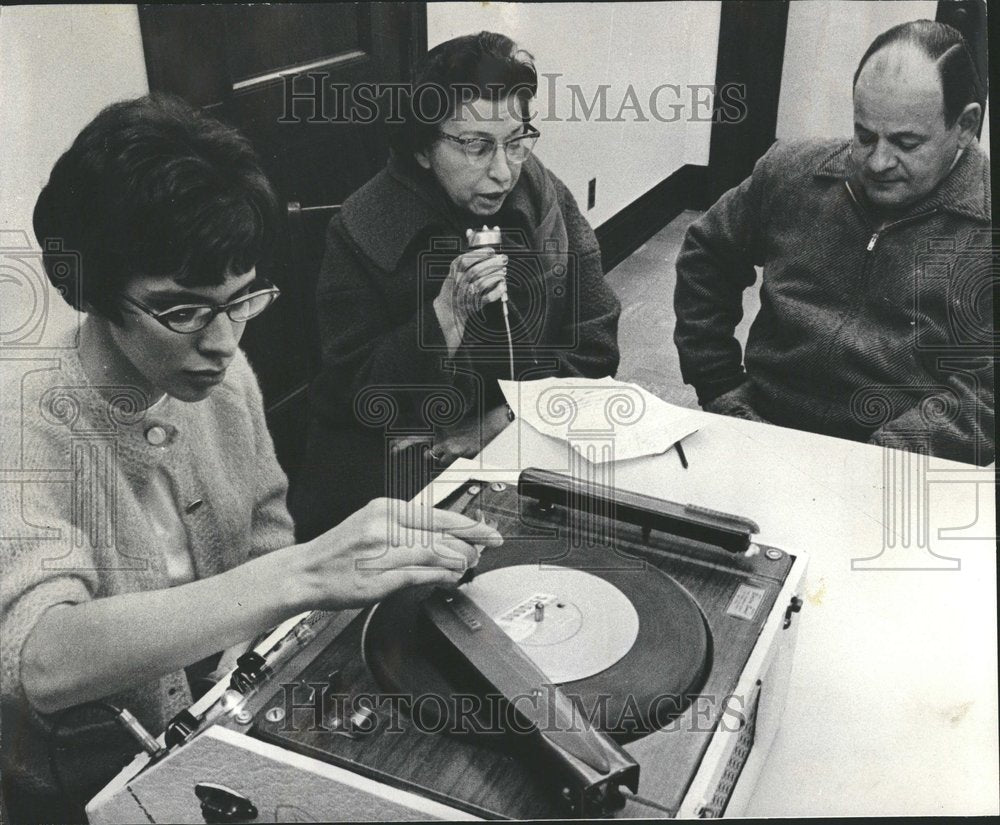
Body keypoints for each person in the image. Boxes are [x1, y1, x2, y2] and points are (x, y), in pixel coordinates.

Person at [0, 95, 502, 823]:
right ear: (95, 292)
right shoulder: (21, 424)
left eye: (241, 299)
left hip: (225, 727)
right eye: (183, 312)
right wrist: (302, 574)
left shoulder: (224, 378)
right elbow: (40, 660)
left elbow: (264, 532)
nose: (224, 340)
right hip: (87, 790)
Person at [291, 31, 622, 539]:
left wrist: (499, 419)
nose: (502, 171)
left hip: (523, 440)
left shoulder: (542, 193)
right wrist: (444, 316)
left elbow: (596, 339)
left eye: (516, 141)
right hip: (393, 478)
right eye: (475, 146)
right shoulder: (363, 226)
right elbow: (357, 397)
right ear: (424, 148)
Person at [673, 20, 993, 465]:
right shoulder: (791, 171)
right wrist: (720, 384)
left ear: (965, 126)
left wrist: (884, 456)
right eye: (864, 135)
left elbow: (986, 394)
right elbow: (706, 255)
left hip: (900, 466)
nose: (878, 162)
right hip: (757, 427)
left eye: (906, 143)